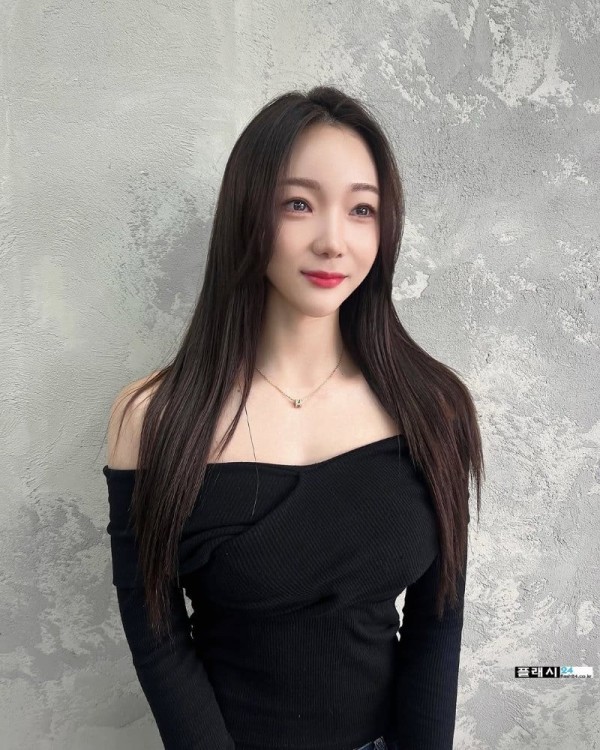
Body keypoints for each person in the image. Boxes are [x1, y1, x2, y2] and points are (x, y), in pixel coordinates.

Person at [103, 85, 484, 750]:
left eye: (362, 209)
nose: (333, 241)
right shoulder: (154, 418)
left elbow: (438, 622)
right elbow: (158, 636)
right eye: (299, 203)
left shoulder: (433, 408)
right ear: (249, 213)